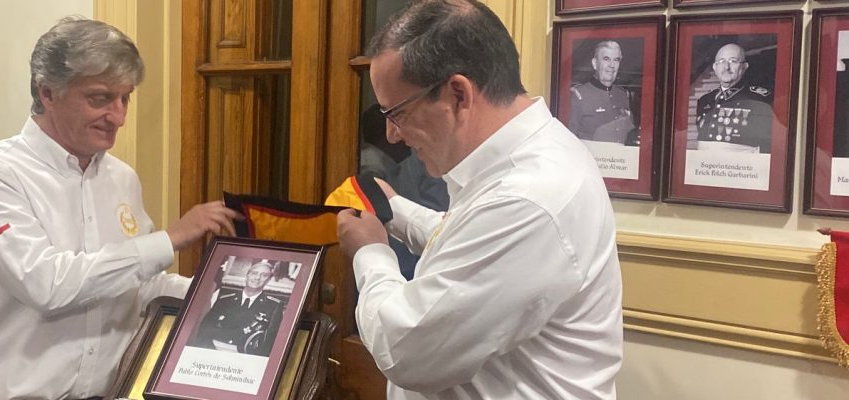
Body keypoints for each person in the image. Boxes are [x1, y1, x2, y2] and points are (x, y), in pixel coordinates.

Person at [335, 1, 623, 399]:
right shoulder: (524, 159)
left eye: (397, 113)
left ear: (458, 94)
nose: (391, 135)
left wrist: (371, 253)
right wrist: (395, 210)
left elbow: (406, 349)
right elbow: (469, 240)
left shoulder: (527, 198)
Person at [0, 17, 241, 400]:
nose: (118, 117)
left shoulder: (122, 178)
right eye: (100, 99)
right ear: (47, 92)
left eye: (125, 98)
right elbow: (47, 285)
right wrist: (169, 239)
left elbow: (138, 284)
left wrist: (226, 294)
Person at [189, 260, 284, 356]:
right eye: (254, 273)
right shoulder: (224, 300)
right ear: (247, 275)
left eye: (264, 275)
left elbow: (270, 342)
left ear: (268, 280)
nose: (257, 278)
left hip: (246, 357)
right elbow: (205, 329)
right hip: (214, 351)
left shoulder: (273, 306)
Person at [694, 43, 774, 154]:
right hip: (706, 162)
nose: (726, 67)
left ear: (744, 67)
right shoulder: (704, 100)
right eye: (721, 61)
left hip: (742, 163)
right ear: (715, 67)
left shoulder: (759, 99)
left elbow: (768, 145)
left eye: (733, 61)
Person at [569, 40, 638, 145]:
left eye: (616, 60)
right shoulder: (578, 95)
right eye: (606, 59)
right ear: (595, 63)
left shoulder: (622, 95)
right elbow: (569, 140)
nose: (612, 65)